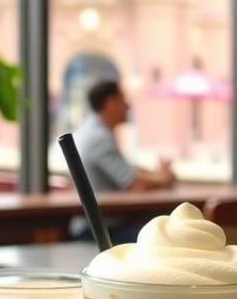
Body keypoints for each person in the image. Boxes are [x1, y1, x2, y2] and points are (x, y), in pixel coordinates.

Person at [69, 79, 176, 243]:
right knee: (163, 240)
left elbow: (127, 168)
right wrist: (165, 178)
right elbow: (135, 183)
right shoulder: (98, 137)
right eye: (123, 99)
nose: (128, 106)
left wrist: (156, 173)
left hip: (101, 225)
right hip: (97, 231)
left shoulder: (93, 130)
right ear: (111, 103)